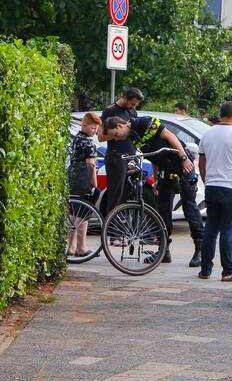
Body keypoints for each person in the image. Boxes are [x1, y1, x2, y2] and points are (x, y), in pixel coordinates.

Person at [101, 114, 194, 262]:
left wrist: (184, 158)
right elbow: (153, 157)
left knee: (190, 208)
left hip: (182, 163)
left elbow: (171, 137)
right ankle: (164, 251)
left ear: (120, 126)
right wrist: (156, 180)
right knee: (163, 210)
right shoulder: (132, 138)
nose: (117, 139)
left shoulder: (145, 122)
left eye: (115, 135)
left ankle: (200, 252)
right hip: (165, 168)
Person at [197, 101, 232, 282]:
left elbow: (201, 163)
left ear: (221, 114)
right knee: (228, 231)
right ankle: (228, 271)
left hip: (212, 188)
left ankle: (205, 270)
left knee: (210, 229)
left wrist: (207, 182)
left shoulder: (207, 134)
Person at [99, 88, 144, 216]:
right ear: (125, 97)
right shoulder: (110, 111)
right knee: (115, 194)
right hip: (116, 156)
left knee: (130, 193)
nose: (133, 107)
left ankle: (124, 227)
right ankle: (111, 230)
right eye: (132, 103)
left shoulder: (132, 112)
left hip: (131, 156)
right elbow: (101, 136)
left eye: (135, 105)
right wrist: (116, 135)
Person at [66, 112, 102, 257]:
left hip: (73, 177)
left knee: (74, 213)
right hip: (84, 180)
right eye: (93, 128)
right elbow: (91, 165)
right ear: (85, 125)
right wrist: (94, 184)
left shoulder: (75, 139)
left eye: (96, 129)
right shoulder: (88, 142)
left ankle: (71, 247)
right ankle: (82, 247)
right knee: (83, 214)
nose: (94, 132)